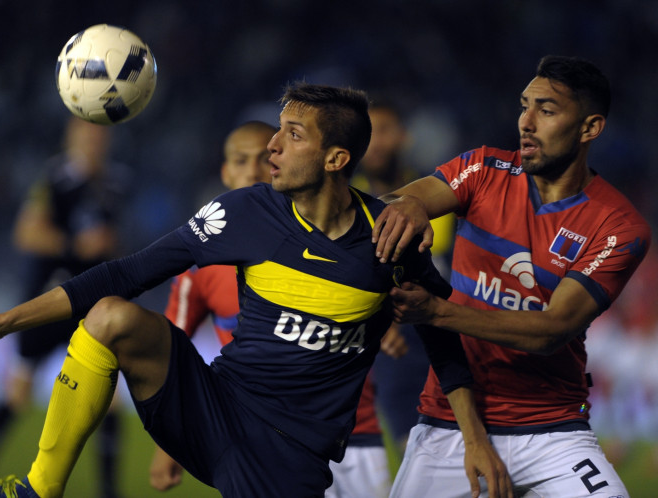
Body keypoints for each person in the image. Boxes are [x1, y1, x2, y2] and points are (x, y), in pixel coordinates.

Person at [0, 83, 511, 498]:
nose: (272, 149)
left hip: (292, 456)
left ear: (336, 158)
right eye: (275, 132)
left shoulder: (390, 238)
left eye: (292, 134)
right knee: (111, 314)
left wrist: (474, 439)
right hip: (216, 406)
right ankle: (38, 489)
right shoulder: (244, 212)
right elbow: (127, 272)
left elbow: (443, 333)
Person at [372, 55, 651, 497]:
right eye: (525, 105)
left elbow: (551, 331)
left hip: (553, 429)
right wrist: (405, 205)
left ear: (590, 128)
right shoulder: (483, 170)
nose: (526, 121)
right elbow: (395, 204)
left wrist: (436, 312)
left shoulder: (618, 225)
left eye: (547, 110)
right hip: (451, 422)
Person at [147, 120, 403, 498]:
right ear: (225, 171)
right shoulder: (199, 269)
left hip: (352, 435)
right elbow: (171, 355)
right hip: (260, 441)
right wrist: (165, 447)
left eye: (260, 160)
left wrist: (380, 318)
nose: (251, 171)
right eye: (240, 161)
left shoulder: (333, 233)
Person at [0, 116, 130, 498]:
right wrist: (76, 246)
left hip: (92, 308)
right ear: (71, 139)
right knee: (17, 394)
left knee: (111, 401)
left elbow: (112, 243)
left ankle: (108, 491)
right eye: (86, 135)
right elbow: (26, 233)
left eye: (99, 135)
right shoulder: (54, 181)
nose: (94, 142)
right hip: (49, 302)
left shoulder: (116, 183)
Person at [352, 99, 457, 455]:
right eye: (368, 135)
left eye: (384, 131)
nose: (376, 143)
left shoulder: (440, 192)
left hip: (450, 328)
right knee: (413, 448)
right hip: (393, 342)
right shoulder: (347, 203)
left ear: (404, 137)